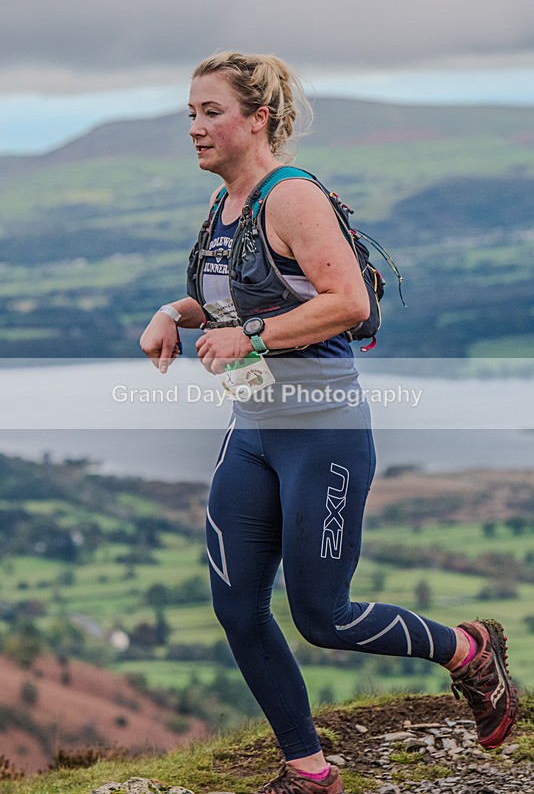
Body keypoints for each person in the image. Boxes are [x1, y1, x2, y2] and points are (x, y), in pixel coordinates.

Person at [140, 51, 518, 794]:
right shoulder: (224, 207)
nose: (195, 127)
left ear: (260, 120)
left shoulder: (292, 197)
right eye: (190, 113)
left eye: (211, 112)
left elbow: (346, 300)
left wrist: (247, 340)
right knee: (237, 606)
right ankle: (308, 769)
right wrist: (170, 314)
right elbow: (236, 297)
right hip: (253, 435)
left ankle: (468, 651)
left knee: (322, 615)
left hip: (324, 437)